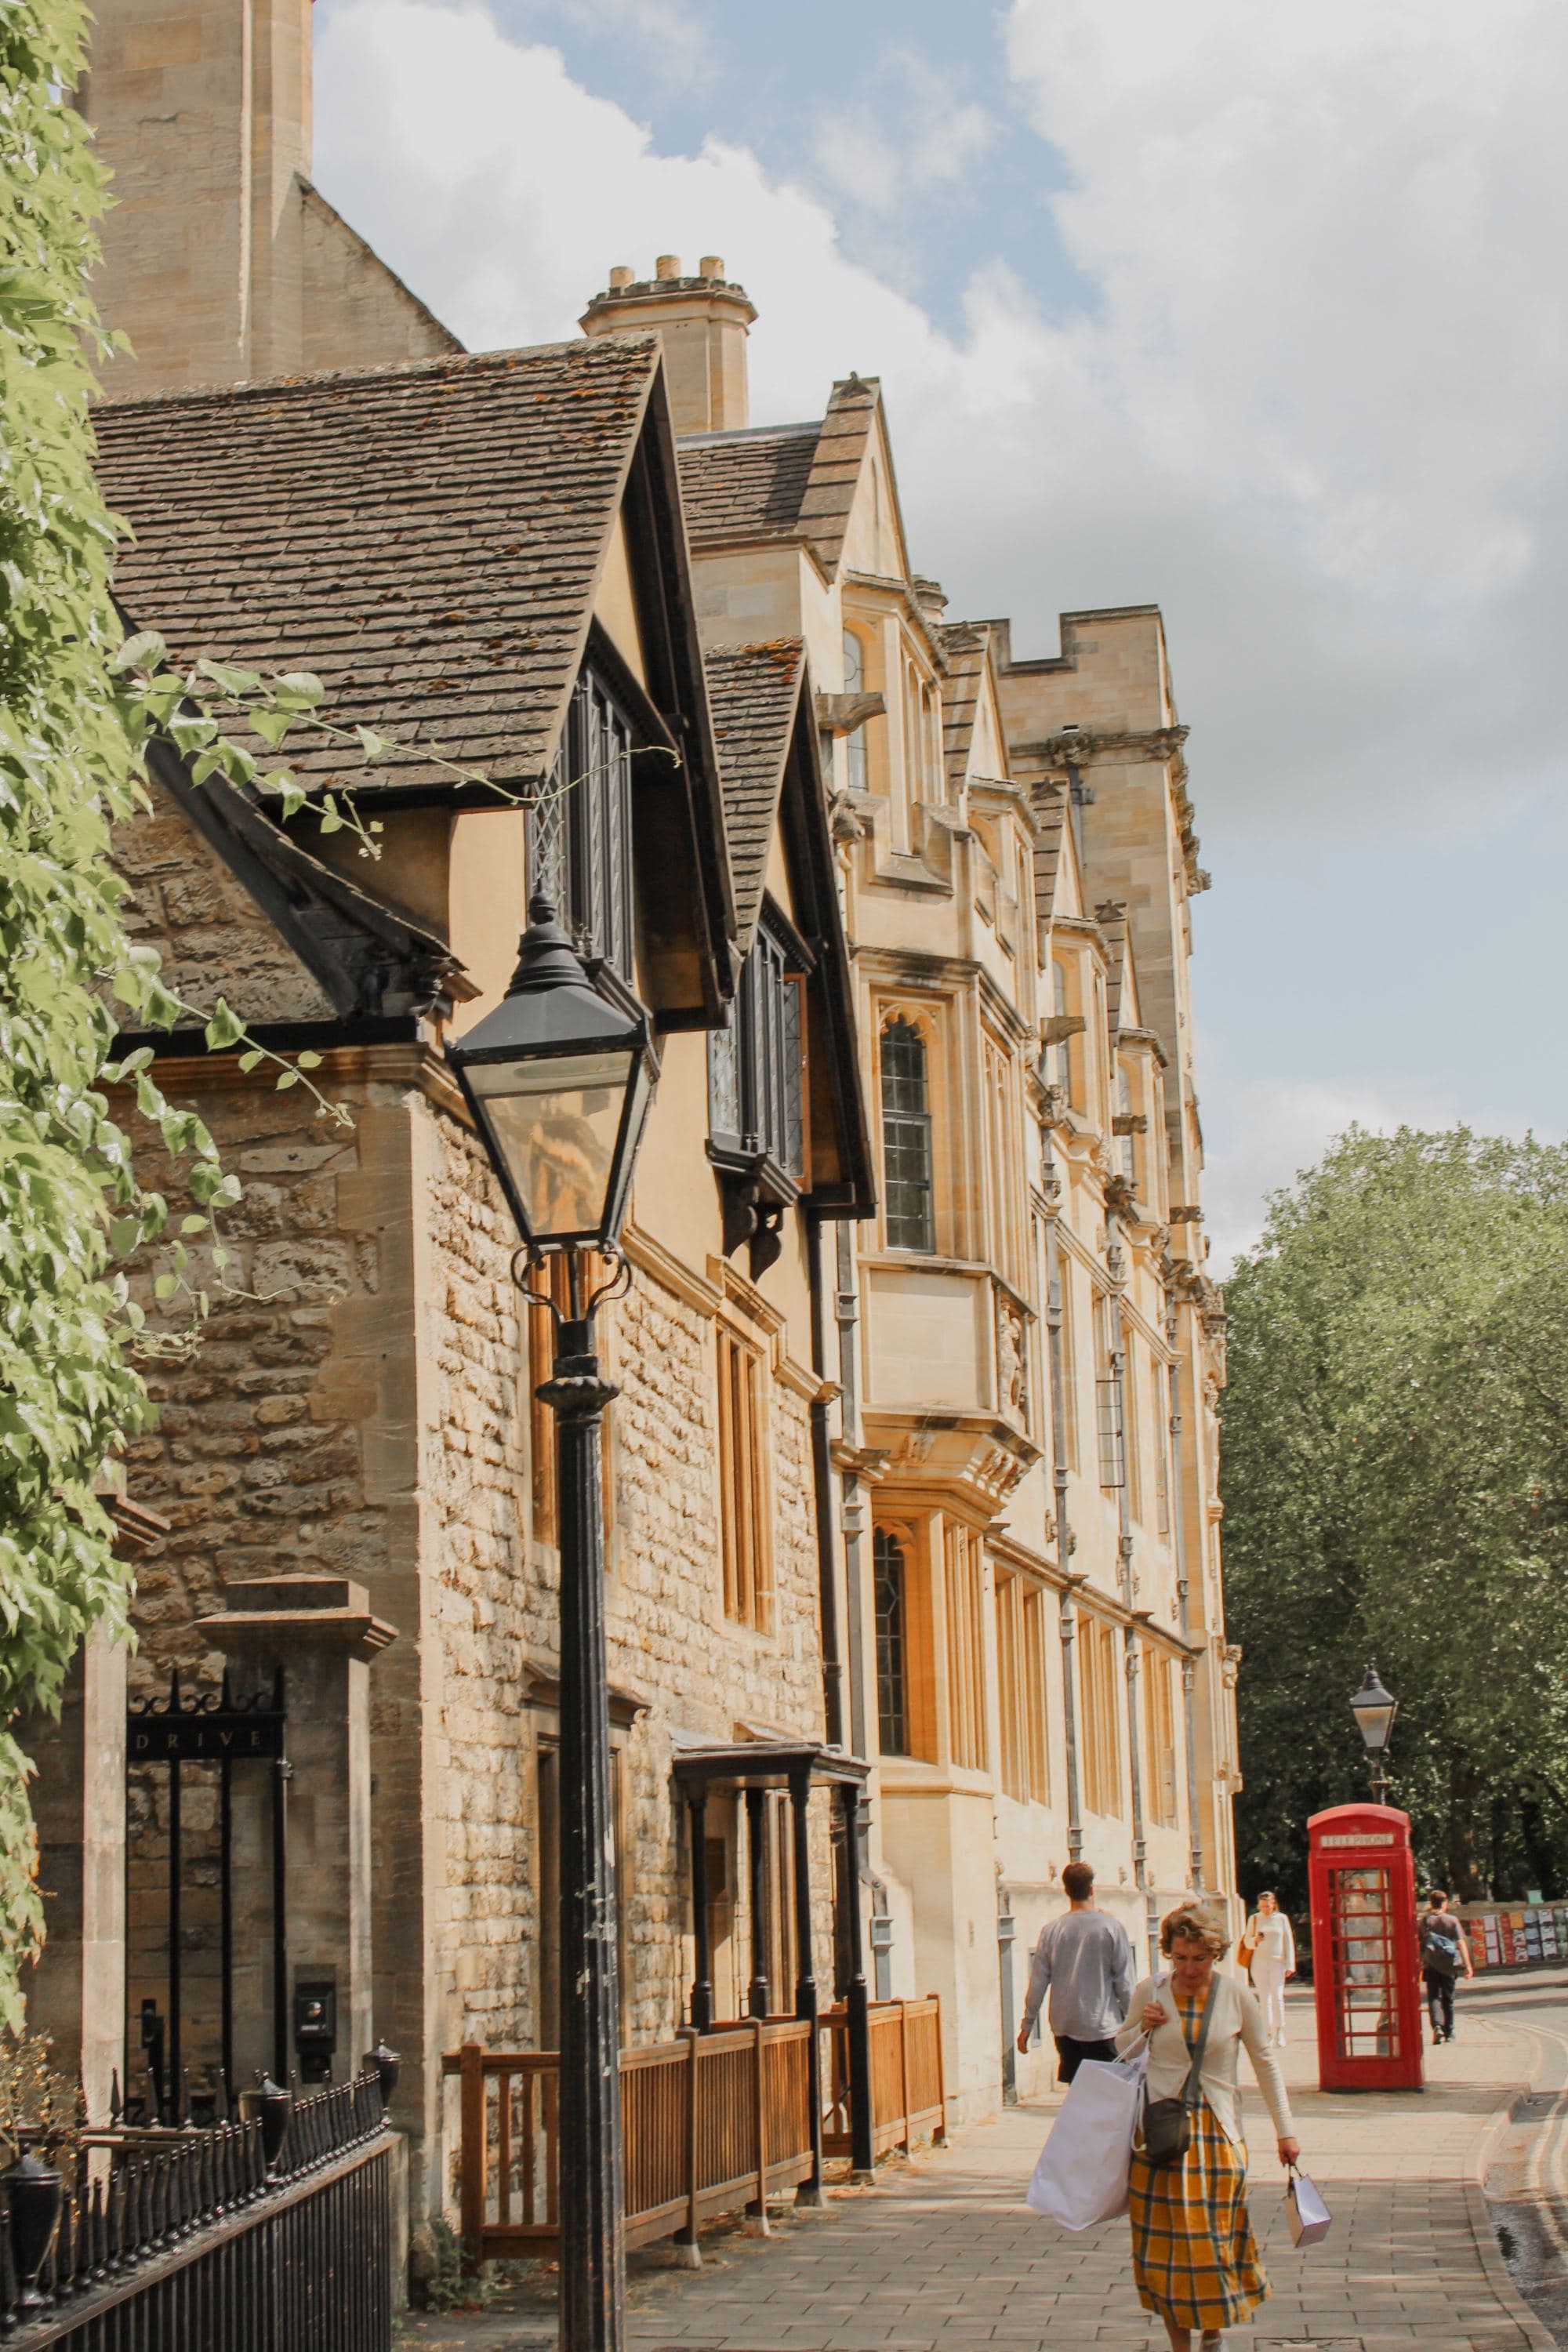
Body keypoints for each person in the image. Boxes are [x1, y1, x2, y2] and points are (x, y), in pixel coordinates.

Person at [1116, 1903, 1299, 2352]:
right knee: (1165, 2253)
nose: (1189, 1968)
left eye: (1198, 1958)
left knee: (1212, 2246)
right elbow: (1120, 2046)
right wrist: (1143, 2024)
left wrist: (1286, 2131)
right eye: (1180, 1958)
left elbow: (1265, 2064)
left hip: (1217, 2138)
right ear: (1169, 1954)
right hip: (1161, 2137)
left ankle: (1212, 2336)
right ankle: (1182, 2347)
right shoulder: (1151, 1992)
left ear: (1214, 1953)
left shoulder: (1237, 1996)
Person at [1015, 1860, 1135, 2084]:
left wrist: (1027, 2025)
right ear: (1092, 1889)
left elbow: (1038, 1983)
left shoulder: (1051, 1931)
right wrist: (1134, 2024)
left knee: (1079, 2093)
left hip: (1065, 2025)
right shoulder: (1111, 1928)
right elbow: (1125, 1982)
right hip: (1102, 2025)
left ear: (1066, 1891)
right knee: (1109, 2091)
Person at [1243, 1890, 1295, 2049]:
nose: (1265, 1909)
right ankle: (1267, 2034)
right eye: (1262, 1906)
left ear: (1274, 1904)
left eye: (1268, 1906)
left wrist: (1290, 1964)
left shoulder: (1281, 1919)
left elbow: (1288, 1941)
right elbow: (1247, 1942)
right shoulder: (1254, 1919)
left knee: (1277, 1997)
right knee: (1264, 1999)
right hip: (1259, 1963)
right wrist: (1255, 1940)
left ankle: (1279, 2031)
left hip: (1277, 1962)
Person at [1419, 1889, 1473, 2043]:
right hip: (1450, 1965)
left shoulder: (1425, 1921)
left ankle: (1437, 2026)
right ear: (1445, 1903)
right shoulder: (1452, 1920)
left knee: (1434, 1997)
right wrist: (1468, 1966)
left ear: (1431, 1903)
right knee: (1448, 1999)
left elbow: (1419, 1943)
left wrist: (1419, 1962)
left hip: (1431, 1965)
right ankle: (1449, 2032)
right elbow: (1461, 1943)